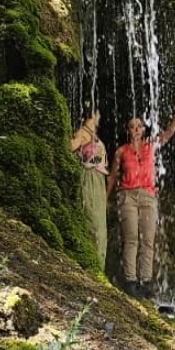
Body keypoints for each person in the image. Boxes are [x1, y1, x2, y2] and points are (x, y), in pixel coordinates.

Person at [107, 96, 175, 290]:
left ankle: (146, 281)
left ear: (143, 129)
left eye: (139, 126)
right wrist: (105, 199)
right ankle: (131, 281)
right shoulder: (121, 151)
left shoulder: (150, 145)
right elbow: (112, 177)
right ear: (128, 130)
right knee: (131, 238)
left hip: (148, 196)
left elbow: (168, 134)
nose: (136, 129)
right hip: (128, 196)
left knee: (148, 239)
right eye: (133, 126)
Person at [69, 108, 108, 261]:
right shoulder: (83, 133)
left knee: (99, 226)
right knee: (93, 224)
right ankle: (93, 262)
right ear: (92, 115)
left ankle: (98, 263)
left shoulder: (90, 134)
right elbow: (70, 146)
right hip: (90, 181)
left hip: (98, 182)